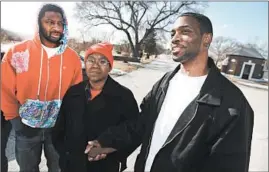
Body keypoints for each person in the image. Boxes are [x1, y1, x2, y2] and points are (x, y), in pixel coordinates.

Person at [84, 12, 254, 172]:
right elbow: (140, 124)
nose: (174, 38)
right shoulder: (165, 82)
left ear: (206, 39)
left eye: (185, 32)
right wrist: (106, 142)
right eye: (172, 33)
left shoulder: (233, 105)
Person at [1, 3, 82, 172]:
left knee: (59, 168)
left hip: (58, 130)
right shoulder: (17, 53)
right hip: (26, 129)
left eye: (60, 23)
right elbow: (5, 89)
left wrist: (70, 125)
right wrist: (16, 122)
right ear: (38, 23)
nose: (56, 27)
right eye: (49, 22)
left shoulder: (72, 58)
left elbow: (76, 96)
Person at [52, 42, 140, 172]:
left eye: (102, 61)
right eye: (90, 60)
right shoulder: (73, 93)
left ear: (110, 67)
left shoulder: (123, 96)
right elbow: (59, 129)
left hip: (105, 165)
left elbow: (134, 131)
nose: (95, 66)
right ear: (85, 64)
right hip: (72, 165)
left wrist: (110, 150)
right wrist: (66, 155)